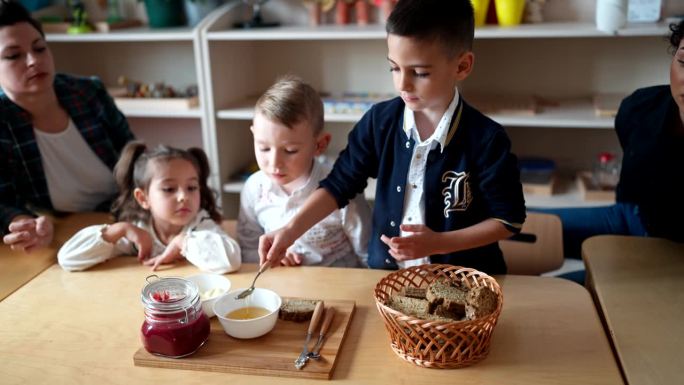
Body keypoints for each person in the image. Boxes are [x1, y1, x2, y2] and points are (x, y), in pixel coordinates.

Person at [258, 0, 526, 274]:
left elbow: (509, 220)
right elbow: (339, 185)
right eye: (394, 68)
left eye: (420, 73)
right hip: (389, 278)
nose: (402, 84)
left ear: (462, 66)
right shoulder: (379, 122)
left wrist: (438, 243)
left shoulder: (486, 138)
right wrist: (289, 231)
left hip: (465, 282)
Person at [536, 20, 684, 270]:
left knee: (563, 299)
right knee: (513, 223)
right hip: (635, 217)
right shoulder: (641, 109)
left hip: (672, 261)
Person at [0, 0, 134, 252]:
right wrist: (23, 224)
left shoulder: (88, 92)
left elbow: (135, 157)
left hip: (127, 216)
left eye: (39, 48)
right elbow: (2, 200)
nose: (33, 61)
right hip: (66, 235)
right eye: (13, 55)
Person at [238, 75, 371, 267]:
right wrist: (271, 258)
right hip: (284, 285)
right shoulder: (254, 188)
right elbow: (248, 249)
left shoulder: (342, 188)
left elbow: (367, 253)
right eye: (264, 148)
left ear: (320, 144)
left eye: (290, 151)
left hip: (337, 285)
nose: (275, 163)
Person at [58, 142, 242, 273]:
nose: (183, 197)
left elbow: (232, 260)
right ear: (143, 198)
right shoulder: (137, 230)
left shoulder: (200, 224)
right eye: (169, 189)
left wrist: (182, 242)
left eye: (192, 187)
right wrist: (119, 230)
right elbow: (68, 259)